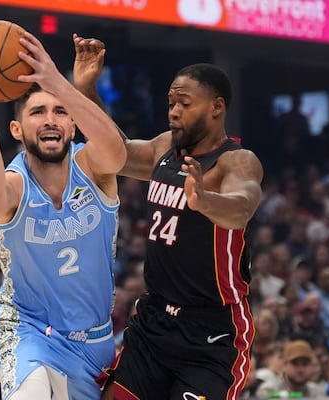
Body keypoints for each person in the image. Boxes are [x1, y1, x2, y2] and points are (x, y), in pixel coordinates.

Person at [73, 35, 263, 399]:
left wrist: (205, 200)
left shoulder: (235, 160)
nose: (173, 111)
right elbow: (116, 153)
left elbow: (242, 208)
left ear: (216, 107)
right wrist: (86, 91)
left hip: (212, 330)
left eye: (185, 103)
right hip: (155, 320)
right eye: (171, 103)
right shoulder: (164, 148)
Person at [0, 29, 126, 400]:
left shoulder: (93, 167)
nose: (50, 119)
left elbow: (116, 152)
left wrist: (58, 83)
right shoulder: (16, 183)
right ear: (16, 128)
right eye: (38, 112)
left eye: (60, 111)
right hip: (31, 333)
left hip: (97, 343)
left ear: (72, 125)